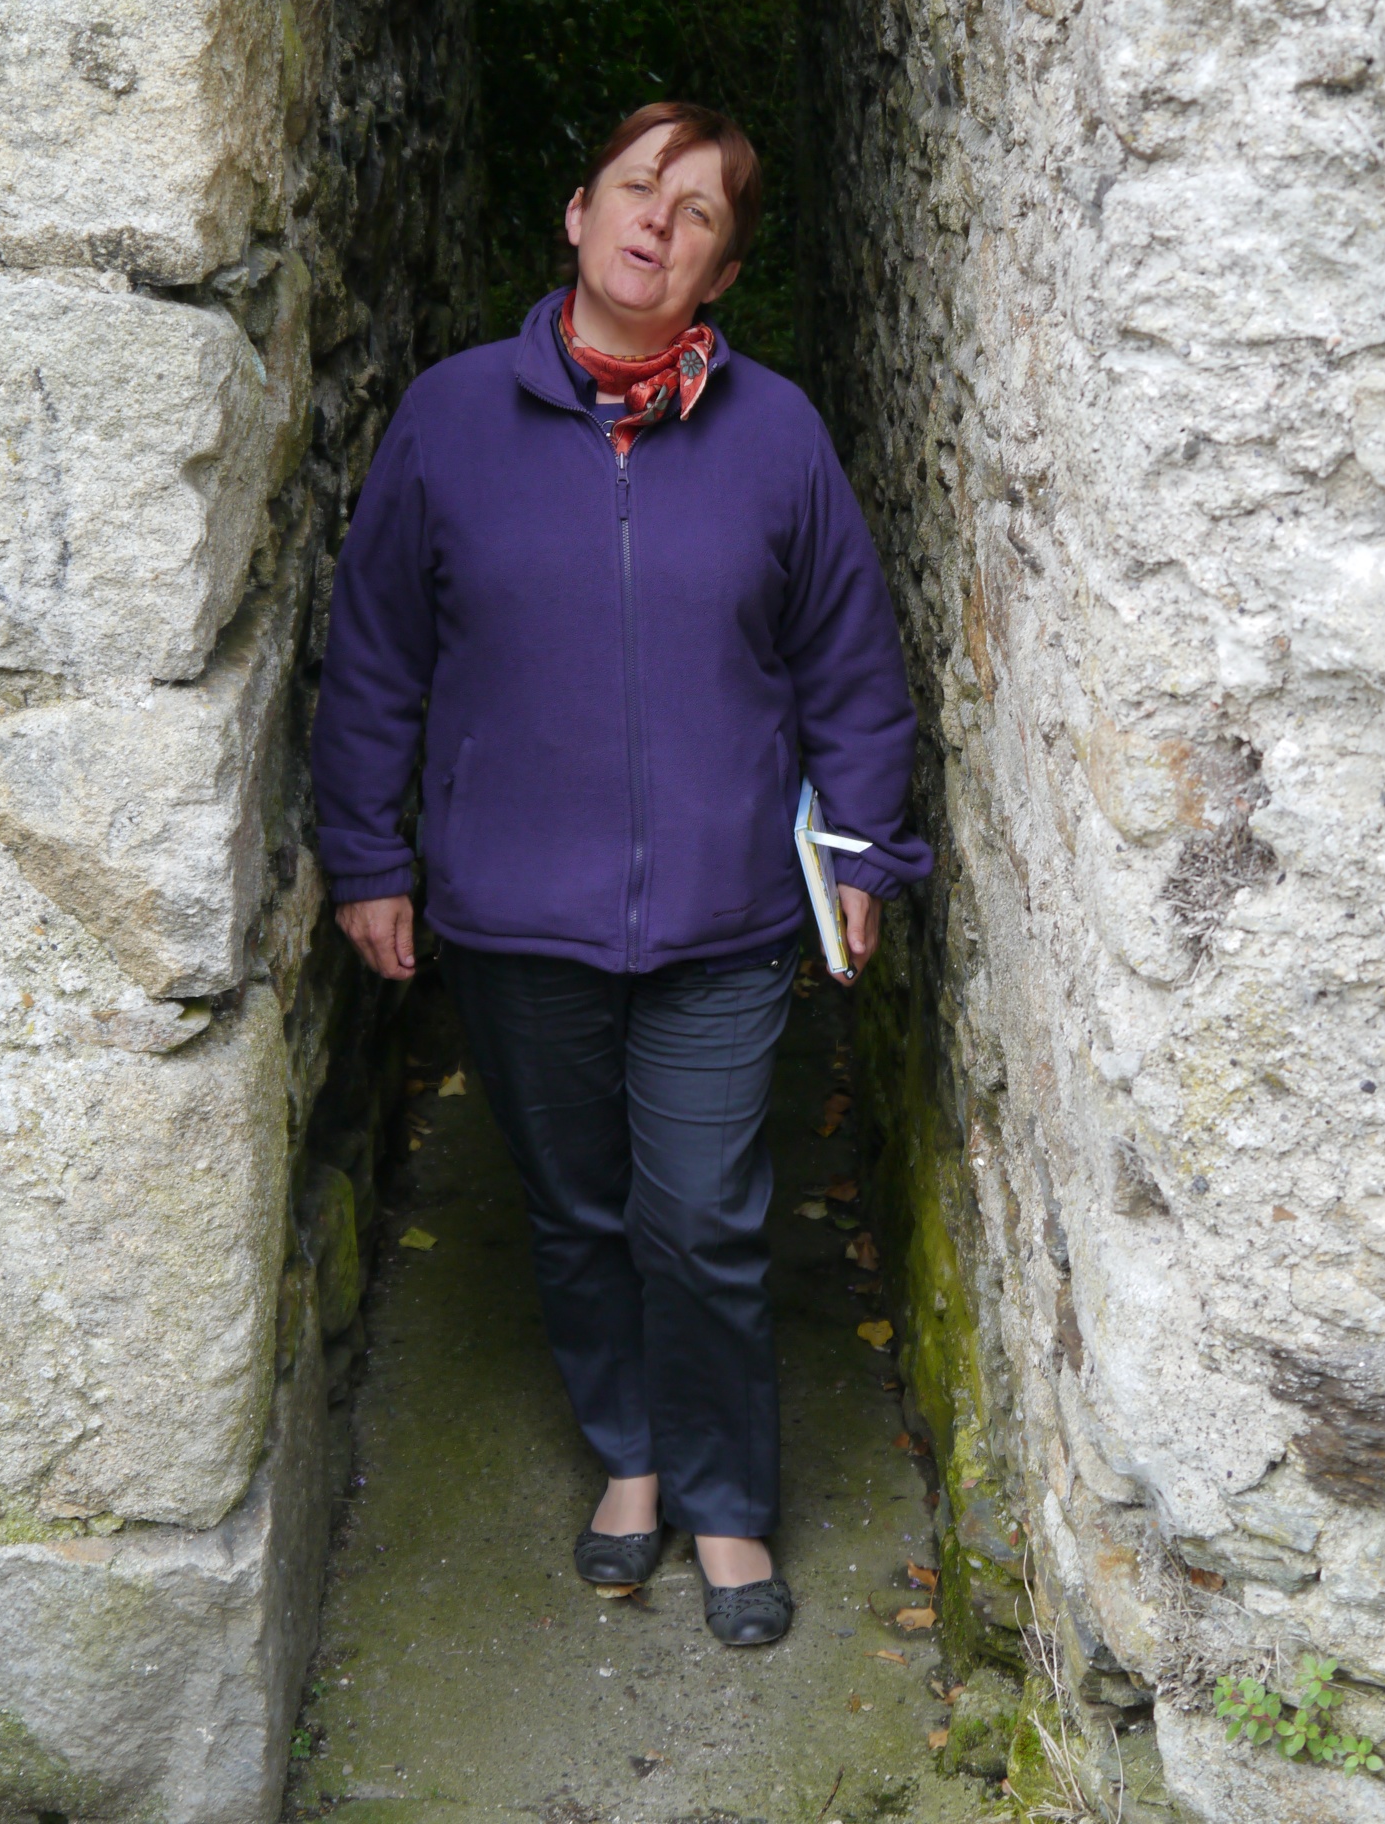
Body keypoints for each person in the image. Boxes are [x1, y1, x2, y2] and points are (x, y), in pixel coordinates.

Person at [311, 101, 931, 1646]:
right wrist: (368, 851)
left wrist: (867, 844)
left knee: (706, 1217)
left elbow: (850, 663)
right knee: (579, 1208)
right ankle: (632, 1454)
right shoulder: (450, 419)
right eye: (638, 186)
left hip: (727, 915)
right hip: (518, 916)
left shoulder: (775, 435)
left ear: (720, 274)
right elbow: (375, 659)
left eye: (700, 210)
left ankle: (726, 1501)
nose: (660, 217)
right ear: (580, 214)